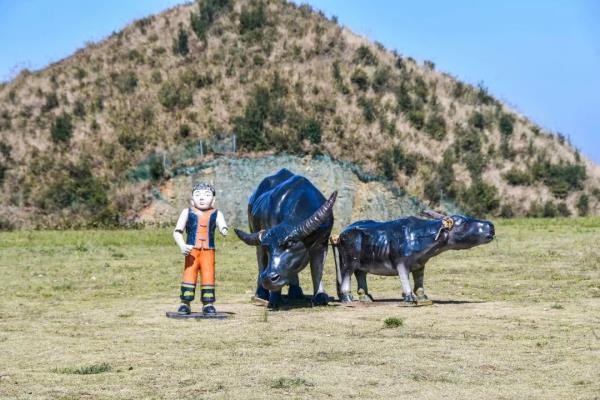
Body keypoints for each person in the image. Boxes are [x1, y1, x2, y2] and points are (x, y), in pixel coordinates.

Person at [173, 182, 228, 315]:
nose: (202, 198)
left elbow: (222, 224)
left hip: (208, 251)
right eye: (198, 195)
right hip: (191, 250)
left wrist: (223, 228)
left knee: (208, 274)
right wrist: (182, 245)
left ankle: (208, 303)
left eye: (207, 195)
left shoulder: (216, 213)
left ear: (213, 200)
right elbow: (177, 231)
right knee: (189, 274)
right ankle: (185, 303)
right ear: (192, 200)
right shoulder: (187, 212)